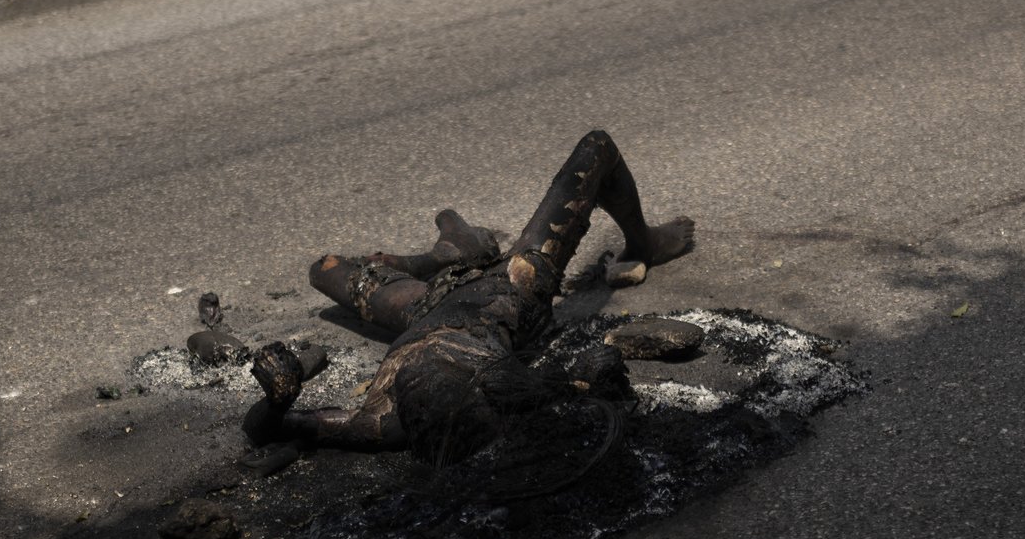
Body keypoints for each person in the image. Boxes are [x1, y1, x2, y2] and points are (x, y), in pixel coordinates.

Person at [246, 131, 694, 455]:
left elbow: (268, 430)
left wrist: (277, 399)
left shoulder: (379, 421)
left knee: (324, 270)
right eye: (440, 389)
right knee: (596, 149)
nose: (422, 381)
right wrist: (592, 375)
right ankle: (644, 243)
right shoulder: (503, 390)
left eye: (419, 391)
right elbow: (586, 382)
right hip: (513, 288)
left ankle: (448, 256)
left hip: (421, 310)